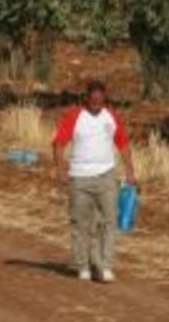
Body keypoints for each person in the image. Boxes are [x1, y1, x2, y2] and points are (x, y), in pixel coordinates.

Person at [52, 80, 137, 283]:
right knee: (81, 224)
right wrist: (60, 168)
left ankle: (104, 265)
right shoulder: (75, 116)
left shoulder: (111, 117)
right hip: (80, 178)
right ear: (87, 99)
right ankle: (83, 266)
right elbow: (58, 144)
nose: (97, 104)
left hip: (107, 176)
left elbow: (123, 143)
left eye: (100, 100)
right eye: (93, 100)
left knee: (108, 221)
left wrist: (130, 171)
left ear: (104, 99)